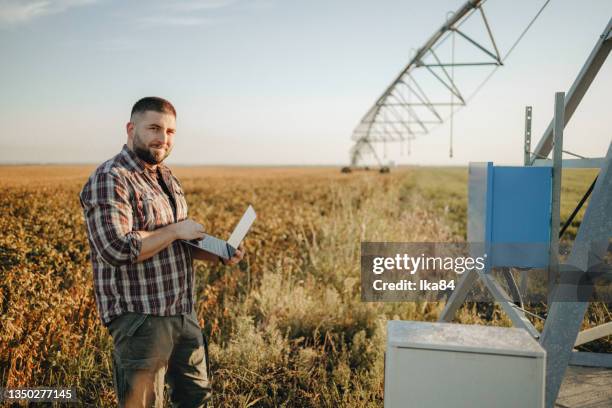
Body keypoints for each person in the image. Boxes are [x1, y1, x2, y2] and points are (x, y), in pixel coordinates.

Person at [79, 96, 244, 407]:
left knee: (196, 399)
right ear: (131, 128)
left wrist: (217, 253)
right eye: (154, 128)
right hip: (141, 317)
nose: (163, 138)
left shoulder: (165, 176)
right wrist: (173, 231)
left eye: (170, 132)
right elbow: (116, 248)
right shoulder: (111, 178)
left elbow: (175, 243)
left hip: (182, 311)